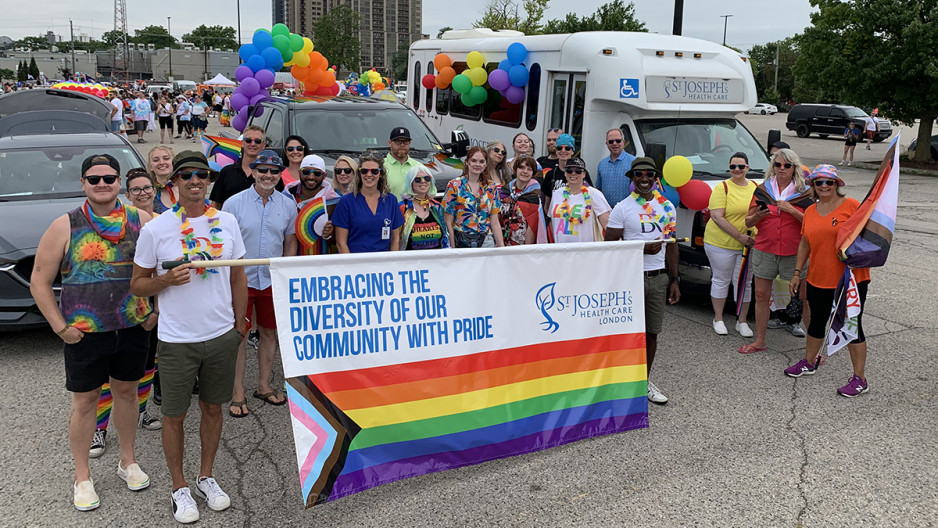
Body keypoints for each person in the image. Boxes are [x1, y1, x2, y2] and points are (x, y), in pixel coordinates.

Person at [31, 154, 154, 511]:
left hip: (133, 328)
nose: (102, 184)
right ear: (83, 183)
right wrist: (60, 327)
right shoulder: (64, 226)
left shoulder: (143, 220)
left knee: (128, 395)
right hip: (86, 335)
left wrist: (156, 313)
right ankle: (82, 476)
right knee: (85, 404)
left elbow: (163, 268)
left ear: (119, 183)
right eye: (94, 179)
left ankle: (127, 461)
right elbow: (39, 281)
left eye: (109, 178)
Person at [131, 150, 247, 524]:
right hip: (177, 339)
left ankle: (206, 477)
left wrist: (240, 323)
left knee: (213, 408)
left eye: (201, 174)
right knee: (174, 416)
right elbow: (137, 284)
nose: (195, 181)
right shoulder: (156, 229)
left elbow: (238, 275)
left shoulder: (227, 222)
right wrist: (165, 280)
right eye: (186, 175)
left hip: (220, 335)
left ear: (209, 180)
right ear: (174, 182)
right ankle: (179, 486)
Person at [89, 169, 164, 459]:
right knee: (111, 375)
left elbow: (163, 271)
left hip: (149, 310)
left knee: (146, 366)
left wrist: (156, 311)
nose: (143, 193)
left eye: (147, 188)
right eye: (136, 189)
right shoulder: (117, 224)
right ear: (127, 194)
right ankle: (100, 427)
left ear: (155, 191)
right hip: (115, 310)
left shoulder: (162, 224)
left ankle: (141, 411)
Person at [784, 165, 872, 398]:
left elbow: (869, 237)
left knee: (852, 326)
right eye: (818, 182)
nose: (824, 186)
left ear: (837, 184)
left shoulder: (852, 206)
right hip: (818, 277)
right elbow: (805, 243)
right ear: (813, 186)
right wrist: (796, 272)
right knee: (816, 321)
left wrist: (860, 258)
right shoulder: (811, 211)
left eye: (829, 182)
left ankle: (860, 379)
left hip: (850, 279)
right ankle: (809, 362)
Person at [223, 150, 297, 418]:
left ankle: (264, 385)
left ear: (280, 175)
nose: (268, 175)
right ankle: (237, 390)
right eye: (262, 170)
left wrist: (284, 271)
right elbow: (226, 244)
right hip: (241, 278)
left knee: (268, 332)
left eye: (274, 171)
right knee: (239, 334)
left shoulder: (288, 204)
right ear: (253, 171)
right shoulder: (233, 204)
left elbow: (290, 241)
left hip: (270, 277)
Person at [604, 157, 680, 404]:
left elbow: (671, 245)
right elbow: (609, 247)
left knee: (651, 334)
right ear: (632, 178)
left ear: (655, 177)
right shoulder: (622, 208)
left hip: (658, 278)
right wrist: (639, 249)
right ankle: (620, 382)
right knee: (626, 333)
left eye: (648, 174)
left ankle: (643, 382)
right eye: (639, 175)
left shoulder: (667, 206)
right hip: (630, 277)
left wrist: (675, 279)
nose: (644, 179)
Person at [738, 149, 812, 354]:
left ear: (794, 168)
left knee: (804, 298)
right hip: (765, 248)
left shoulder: (804, 192)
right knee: (761, 295)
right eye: (778, 165)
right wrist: (757, 217)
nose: (782, 169)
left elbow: (812, 223)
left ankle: (813, 349)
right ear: (773, 167)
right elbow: (748, 221)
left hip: (794, 251)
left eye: (787, 165)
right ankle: (760, 341)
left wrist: (791, 210)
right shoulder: (763, 190)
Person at [703, 152, 757, 337]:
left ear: (747, 168)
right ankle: (718, 318)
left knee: (745, 283)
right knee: (721, 279)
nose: (737, 170)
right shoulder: (722, 187)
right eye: (733, 166)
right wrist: (739, 236)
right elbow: (717, 217)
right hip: (720, 243)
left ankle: (741, 321)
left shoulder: (756, 187)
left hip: (747, 246)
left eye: (741, 167)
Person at [332, 152, 405, 253]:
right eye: (364, 171)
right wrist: (351, 267)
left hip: (383, 265)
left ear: (381, 174)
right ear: (359, 173)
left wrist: (392, 265)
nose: (369, 175)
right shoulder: (346, 202)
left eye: (374, 171)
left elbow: (395, 239)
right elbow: (341, 243)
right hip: (355, 263)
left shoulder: (391, 201)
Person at [443, 146, 505, 248]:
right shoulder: (454, 185)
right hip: (461, 240)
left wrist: (501, 247)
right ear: (467, 162)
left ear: (486, 164)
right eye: (474, 160)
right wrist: (452, 248)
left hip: (486, 240)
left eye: (481, 161)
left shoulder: (491, 187)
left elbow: (494, 221)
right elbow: (448, 221)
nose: (477, 164)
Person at [210, 125, 277, 208]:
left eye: (257, 141)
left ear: (263, 145)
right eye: (248, 140)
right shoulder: (226, 172)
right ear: (242, 143)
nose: (253, 144)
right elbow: (216, 204)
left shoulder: (271, 176)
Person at [286, 154, 341, 254]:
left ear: (324, 176)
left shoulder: (334, 202)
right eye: (306, 172)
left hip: (323, 263)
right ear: (299, 173)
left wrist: (329, 234)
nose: (311, 177)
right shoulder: (287, 199)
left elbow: (339, 239)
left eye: (317, 173)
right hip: (293, 263)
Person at [548, 157, 610, 243]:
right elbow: (552, 223)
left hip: (585, 252)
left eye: (578, 171)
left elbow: (607, 225)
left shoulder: (594, 194)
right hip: (560, 250)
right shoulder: (557, 194)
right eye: (569, 170)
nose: (573, 174)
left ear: (584, 174)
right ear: (565, 173)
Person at [400, 164, 450, 250]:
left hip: (436, 260)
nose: (423, 181)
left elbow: (445, 237)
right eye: (417, 179)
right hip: (410, 262)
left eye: (427, 178)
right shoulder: (402, 207)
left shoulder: (437, 207)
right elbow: (395, 239)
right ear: (410, 184)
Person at [499, 155, 545, 245]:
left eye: (529, 169)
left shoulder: (534, 196)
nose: (525, 171)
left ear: (533, 173)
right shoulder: (504, 191)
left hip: (520, 246)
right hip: (500, 243)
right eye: (521, 167)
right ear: (515, 170)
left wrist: (525, 251)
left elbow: (531, 227)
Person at [595, 128, 637, 207]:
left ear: (623, 142)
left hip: (628, 210)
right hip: (607, 211)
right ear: (606, 144)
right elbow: (598, 189)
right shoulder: (602, 164)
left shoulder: (634, 162)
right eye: (611, 141)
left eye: (618, 141)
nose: (614, 144)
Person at [542, 133, 593, 199]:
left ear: (572, 151)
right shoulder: (550, 174)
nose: (563, 151)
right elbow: (547, 205)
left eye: (567, 148)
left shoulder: (580, 172)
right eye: (559, 148)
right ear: (556, 151)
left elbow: (591, 195)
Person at [384, 127, 422, 199]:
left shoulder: (419, 167)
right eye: (398, 142)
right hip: (389, 210)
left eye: (405, 142)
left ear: (410, 143)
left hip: (413, 210)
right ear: (389, 143)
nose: (402, 145)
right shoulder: (380, 167)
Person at [147, 146, 178, 214]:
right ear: (150, 167)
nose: (161, 162)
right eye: (156, 160)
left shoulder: (186, 189)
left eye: (166, 158)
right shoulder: (148, 194)